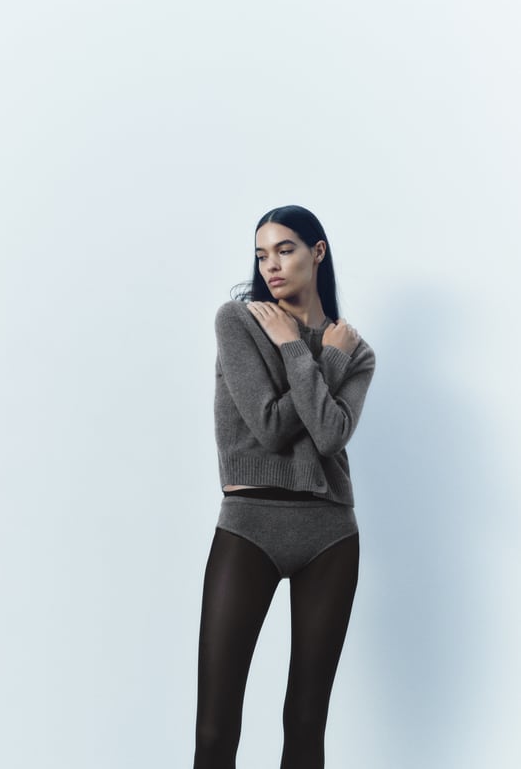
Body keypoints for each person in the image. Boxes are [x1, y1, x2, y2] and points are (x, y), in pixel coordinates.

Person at [193, 205, 376, 769]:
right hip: (249, 525)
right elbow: (272, 428)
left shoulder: (354, 349)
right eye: (261, 254)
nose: (270, 265)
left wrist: (309, 350)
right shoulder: (240, 321)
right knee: (215, 729)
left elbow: (329, 433)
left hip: (330, 534)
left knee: (305, 726)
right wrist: (313, 356)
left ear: (317, 252)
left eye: (285, 249)